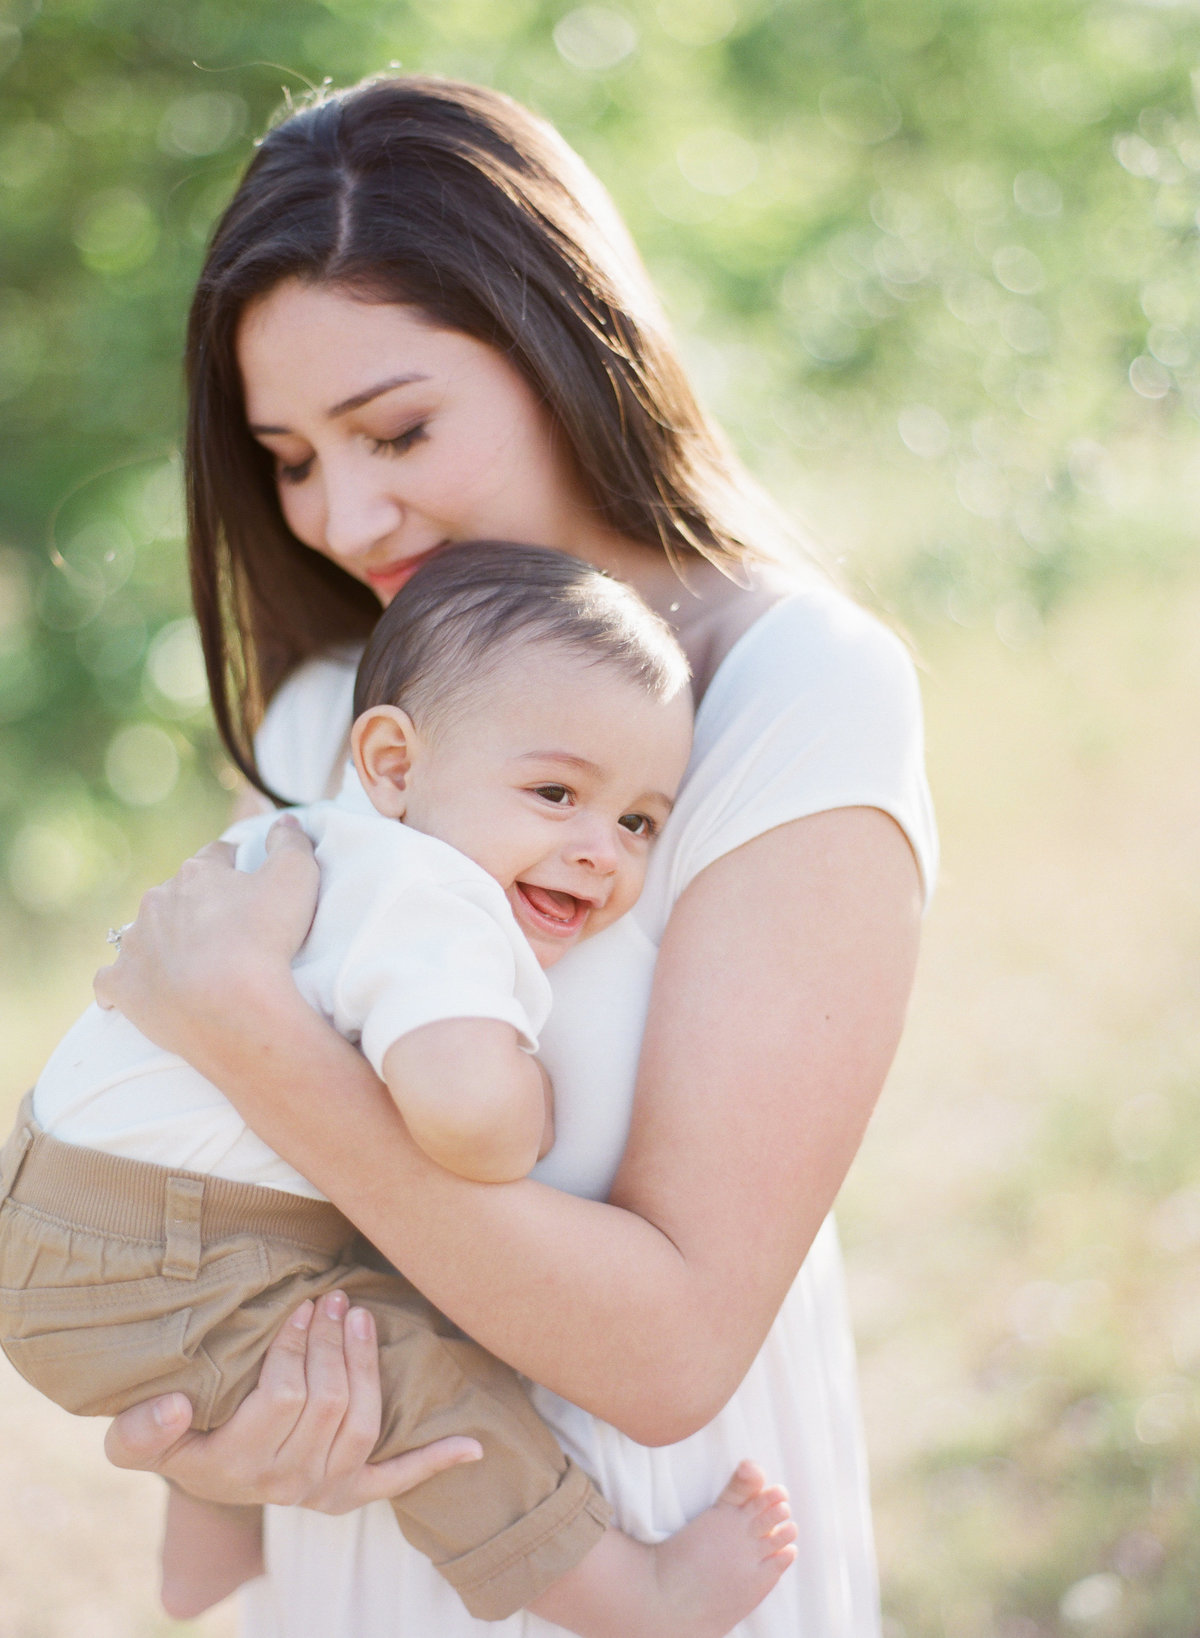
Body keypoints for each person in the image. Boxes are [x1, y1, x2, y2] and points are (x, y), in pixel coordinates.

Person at [94, 73, 937, 1637]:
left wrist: (260, 1046)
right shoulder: (334, 709)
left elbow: (673, 1348)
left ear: (560, 344)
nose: (343, 511)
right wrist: (218, 1443)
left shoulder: (795, 689)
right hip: (367, 1550)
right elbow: (234, 1184)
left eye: (397, 427)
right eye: (286, 457)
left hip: (661, 1532)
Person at [2, 544, 799, 1635]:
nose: (598, 851)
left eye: (637, 822)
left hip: (69, 1206)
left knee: (306, 1327)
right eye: (555, 792)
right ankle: (634, 1595)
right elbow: (471, 1121)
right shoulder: (428, 892)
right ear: (392, 765)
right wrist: (531, 1095)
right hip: (161, 1245)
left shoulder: (317, 849)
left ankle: (209, 1531)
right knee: (418, 1380)